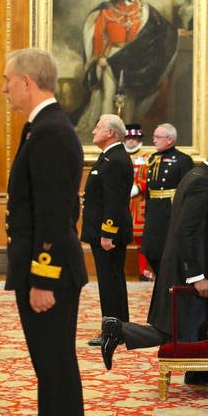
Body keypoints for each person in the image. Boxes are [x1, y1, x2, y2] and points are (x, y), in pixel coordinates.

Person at [100, 136, 208, 385]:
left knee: (189, 324)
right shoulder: (202, 182)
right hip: (190, 269)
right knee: (174, 329)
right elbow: (186, 230)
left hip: (195, 267)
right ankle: (118, 330)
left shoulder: (202, 177)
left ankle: (200, 365)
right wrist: (197, 277)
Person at [3, 48, 87, 416]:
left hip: (48, 275)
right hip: (45, 267)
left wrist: (43, 278)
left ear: (26, 82)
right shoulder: (42, 126)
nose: (4, 88)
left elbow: (54, 213)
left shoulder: (50, 130)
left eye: (8, 80)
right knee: (51, 370)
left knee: (55, 369)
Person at [75, 0, 178, 141]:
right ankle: (106, 136)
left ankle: (127, 136)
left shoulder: (142, 9)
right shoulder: (107, 9)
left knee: (129, 96)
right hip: (111, 56)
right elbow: (99, 34)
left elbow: (158, 28)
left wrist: (175, 32)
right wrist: (100, 56)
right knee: (109, 94)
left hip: (132, 59)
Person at [82, 114, 134, 346]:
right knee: (111, 280)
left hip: (107, 235)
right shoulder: (110, 157)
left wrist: (107, 233)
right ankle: (119, 328)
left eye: (98, 127)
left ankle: (113, 331)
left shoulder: (116, 160)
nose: (93, 130)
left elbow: (114, 201)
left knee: (110, 282)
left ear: (111, 133)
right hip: (104, 232)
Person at [140, 123, 194, 275]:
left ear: (169, 140)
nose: (154, 140)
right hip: (154, 212)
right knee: (151, 251)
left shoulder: (183, 160)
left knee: (169, 252)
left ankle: (169, 283)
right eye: (154, 137)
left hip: (170, 211)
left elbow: (187, 190)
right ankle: (161, 278)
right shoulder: (152, 158)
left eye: (158, 137)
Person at [124, 123, 153, 281]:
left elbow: (150, 178)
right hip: (121, 202)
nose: (131, 142)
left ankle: (143, 271)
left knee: (142, 239)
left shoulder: (148, 157)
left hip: (140, 202)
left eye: (134, 138)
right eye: (128, 138)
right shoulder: (119, 154)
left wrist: (139, 187)